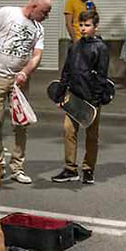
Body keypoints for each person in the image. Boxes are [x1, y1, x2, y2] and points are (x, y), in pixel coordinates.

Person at [0, 0, 51, 185]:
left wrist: (25, 72)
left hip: (19, 81)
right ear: (34, 6)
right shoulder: (6, 13)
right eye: (45, 12)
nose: (47, 16)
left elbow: (36, 55)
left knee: (20, 123)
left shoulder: (38, 29)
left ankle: (17, 167)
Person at [50, 10, 109, 185]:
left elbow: (101, 77)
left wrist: (95, 101)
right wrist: (60, 94)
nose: (83, 28)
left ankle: (88, 169)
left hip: (91, 100)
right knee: (69, 131)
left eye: (87, 25)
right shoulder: (74, 47)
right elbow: (66, 72)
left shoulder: (101, 48)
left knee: (92, 136)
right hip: (73, 98)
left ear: (95, 27)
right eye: (81, 25)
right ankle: (70, 169)